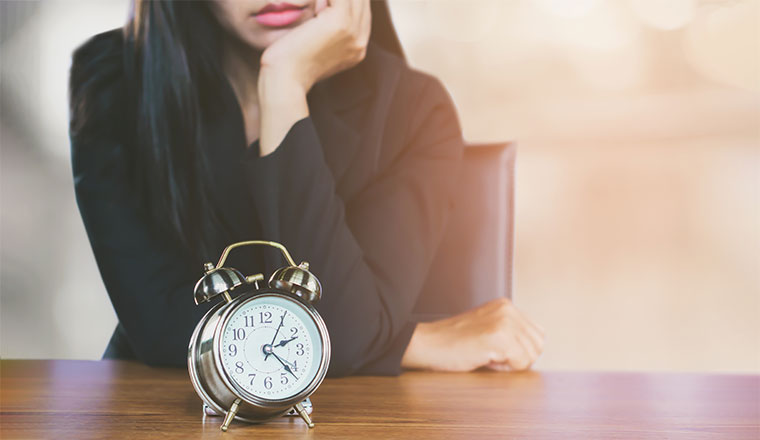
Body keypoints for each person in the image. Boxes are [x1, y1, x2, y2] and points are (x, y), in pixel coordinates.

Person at [69, 0, 544, 376]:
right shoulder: (112, 83)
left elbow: (351, 329)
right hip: (162, 413)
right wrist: (413, 344)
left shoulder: (415, 109)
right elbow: (161, 329)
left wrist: (283, 85)